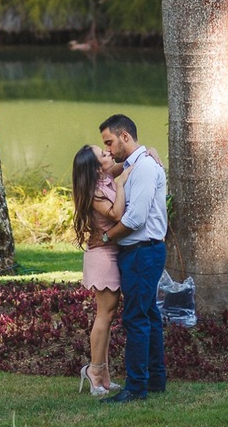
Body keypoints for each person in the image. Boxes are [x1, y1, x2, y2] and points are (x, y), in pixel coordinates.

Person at [98, 114, 168, 403]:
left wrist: (105, 237)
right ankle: (155, 379)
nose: (109, 149)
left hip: (142, 252)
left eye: (110, 142)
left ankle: (136, 387)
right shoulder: (133, 165)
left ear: (125, 136)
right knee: (149, 315)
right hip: (143, 252)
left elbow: (136, 218)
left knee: (136, 318)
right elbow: (100, 173)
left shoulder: (144, 168)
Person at [71, 144, 130, 395]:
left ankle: (104, 375)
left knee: (108, 315)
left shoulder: (106, 177)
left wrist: (150, 153)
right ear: (96, 168)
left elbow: (126, 163)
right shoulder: (96, 191)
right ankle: (94, 371)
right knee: (104, 315)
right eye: (104, 154)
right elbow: (117, 214)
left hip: (110, 251)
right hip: (103, 256)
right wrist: (121, 184)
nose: (110, 154)